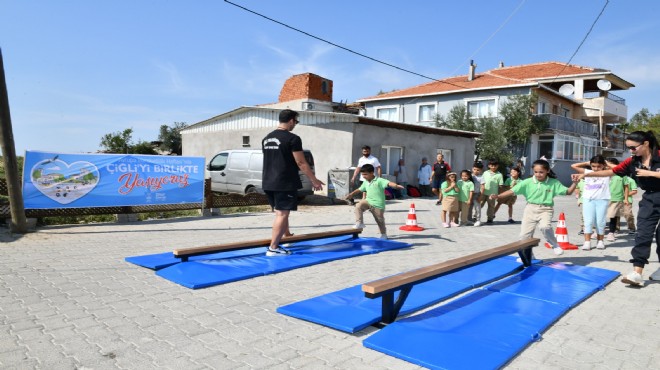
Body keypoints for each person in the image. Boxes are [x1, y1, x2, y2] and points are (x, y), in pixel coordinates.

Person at [572, 131, 660, 286]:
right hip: (650, 199)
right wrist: (587, 175)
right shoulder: (632, 162)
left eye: (633, 148)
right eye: (629, 148)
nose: (631, 151)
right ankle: (637, 273)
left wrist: (650, 173)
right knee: (643, 235)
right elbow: (612, 171)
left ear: (646, 144)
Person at [262, 109, 324, 257]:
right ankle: (273, 248)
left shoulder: (266, 138)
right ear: (291, 120)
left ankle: (287, 236)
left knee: (280, 212)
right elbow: (301, 162)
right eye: (296, 121)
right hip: (284, 181)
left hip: (268, 181)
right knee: (282, 214)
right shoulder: (293, 139)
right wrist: (314, 180)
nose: (295, 124)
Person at [491, 159, 578, 257]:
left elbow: (568, 192)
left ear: (547, 171)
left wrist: (574, 183)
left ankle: (554, 244)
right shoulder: (527, 182)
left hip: (546, 209)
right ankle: (528, 256)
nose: (538, 174)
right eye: (536, 172)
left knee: (545, 227)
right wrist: (498, 196)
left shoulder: (553, 182)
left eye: (541, 172)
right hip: (530, 209)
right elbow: (512, 191)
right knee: (525, 236)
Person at [345, 164, 404, 240]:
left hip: (378, 204)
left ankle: (383, 234)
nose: (364, 176)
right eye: (362, 174)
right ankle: (359, 223)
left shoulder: (379, 180)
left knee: (380, 220)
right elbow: (360, 189)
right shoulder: (365, 182)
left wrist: (396, 186)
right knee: (358, 206)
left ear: (372, 173)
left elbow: (388, 183)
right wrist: (351, 194)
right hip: (368, 201)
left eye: (365, 174)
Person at [571, 155, 611, 251]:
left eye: (599, 166)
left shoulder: (607, 173)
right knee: (588, 221)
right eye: (593, 166)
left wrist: (607, 163)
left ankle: (600, 241)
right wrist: (586, 163)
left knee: (600, 222)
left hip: (602, 199)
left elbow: (618, 168)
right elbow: (573, 166)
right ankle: (587, 242)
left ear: (603, 166)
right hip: (588, 199)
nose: (596, 168)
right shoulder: (587, 172)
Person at [606, 157, 625, 242]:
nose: (607, 167)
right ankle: (599, 231)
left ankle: (611, 233)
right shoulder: (604, 174)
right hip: (603, 198)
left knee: (612, 216)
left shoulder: (620, 175)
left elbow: (627, 186)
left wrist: (626, 198)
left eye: (609, 165)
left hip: (615, 198)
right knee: (600, 216)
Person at [482, 159, 503, 224]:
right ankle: (475, 217)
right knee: (479, 205)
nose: (493, 167)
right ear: (489, 166)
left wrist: (499, 195)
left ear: (497, 166)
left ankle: (490, 219)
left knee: (491, 206)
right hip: (483, 192)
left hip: (492, 194)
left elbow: (500, 185)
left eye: (495, 166)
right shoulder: (485, 173)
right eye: (492, 165)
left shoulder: (499, 175)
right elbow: (481, 182)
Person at [469, 161, 484, 227]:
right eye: (474, 169)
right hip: (469, 194)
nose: (476, 171)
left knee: (477, 207)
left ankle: (478, 220)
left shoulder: (481, 177)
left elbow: (483, 187)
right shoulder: (469, 176)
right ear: (472, 169)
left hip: (477, 194)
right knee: (469, 207)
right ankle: (468, 219)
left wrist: (480, 196)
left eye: (478, 170)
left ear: (481, 170)